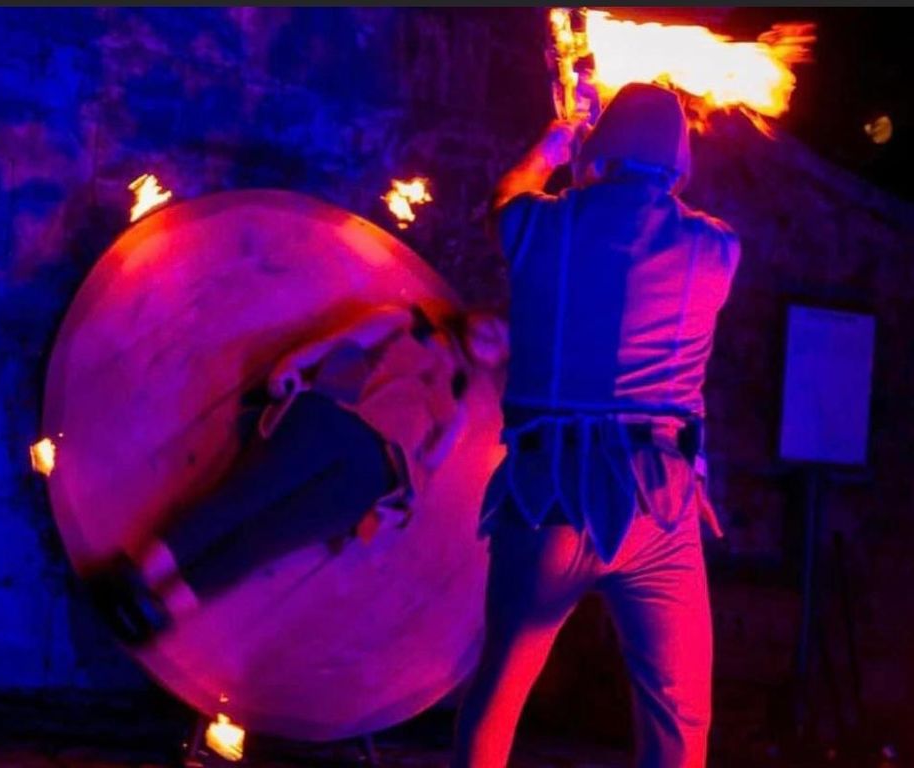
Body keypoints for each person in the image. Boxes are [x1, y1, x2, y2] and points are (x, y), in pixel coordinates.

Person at [452, 83, 741, 768]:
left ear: (602, 148)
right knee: (679, 720)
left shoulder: (540, 225)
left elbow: (506, 201)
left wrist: (557, 147)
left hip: (550, 495)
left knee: (497, 697)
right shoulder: (715, 247)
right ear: (678, 162)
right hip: (658, 503)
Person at [88, 302, 507, 646]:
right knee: (243, 496)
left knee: (266, 541)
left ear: (498, 362)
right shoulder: (406, 323)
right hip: (330, 419)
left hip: (367, 480)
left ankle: (162, 610)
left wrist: (396, 506)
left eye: (505, 343)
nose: (494, 335)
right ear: (476, 311)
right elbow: (343, 340)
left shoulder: (457, 406)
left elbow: (427, 464)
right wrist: (294, 363)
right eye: (495, 322)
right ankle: (138, 572)